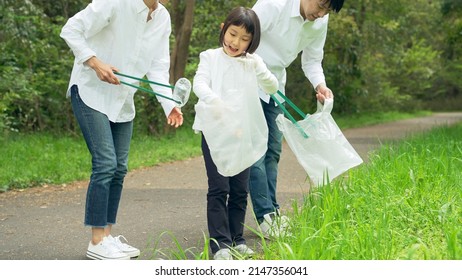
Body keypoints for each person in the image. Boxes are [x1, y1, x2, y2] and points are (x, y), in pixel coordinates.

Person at [60, 0, 183, 260]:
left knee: (119, 168)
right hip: (90, 92)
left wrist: (169, 105)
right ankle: (96, 242)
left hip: (122, 101)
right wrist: (95, 62)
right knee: (105, 163)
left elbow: (158, 68)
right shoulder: (116, 2)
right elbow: (71, 29)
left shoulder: (163, 17)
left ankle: (106, 237)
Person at [249, 0, 345, 238]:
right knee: (256, 152)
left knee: (273, 150)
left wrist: (321, 85)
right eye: (321, 6)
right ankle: (265, 216)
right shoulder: (274, 5)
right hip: (248, 81)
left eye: (327, 10)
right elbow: (242, 39)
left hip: (275, 87)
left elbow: (312, 61)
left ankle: (273, 212)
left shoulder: (320, 21)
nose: (321, 14)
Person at [192, 7, 278, 260]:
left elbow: (272, 86)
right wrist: (214, 101)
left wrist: (259, 67)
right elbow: (199, 83)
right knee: (219, 188)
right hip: (215, 132)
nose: (236, 43)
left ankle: (236, 239)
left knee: (240, 189)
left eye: (244, 39)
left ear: (252, 42)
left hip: (242, 133)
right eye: (233, 34)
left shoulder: (250, 63)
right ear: (223, 29)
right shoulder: (209, 57)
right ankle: (220, 245)